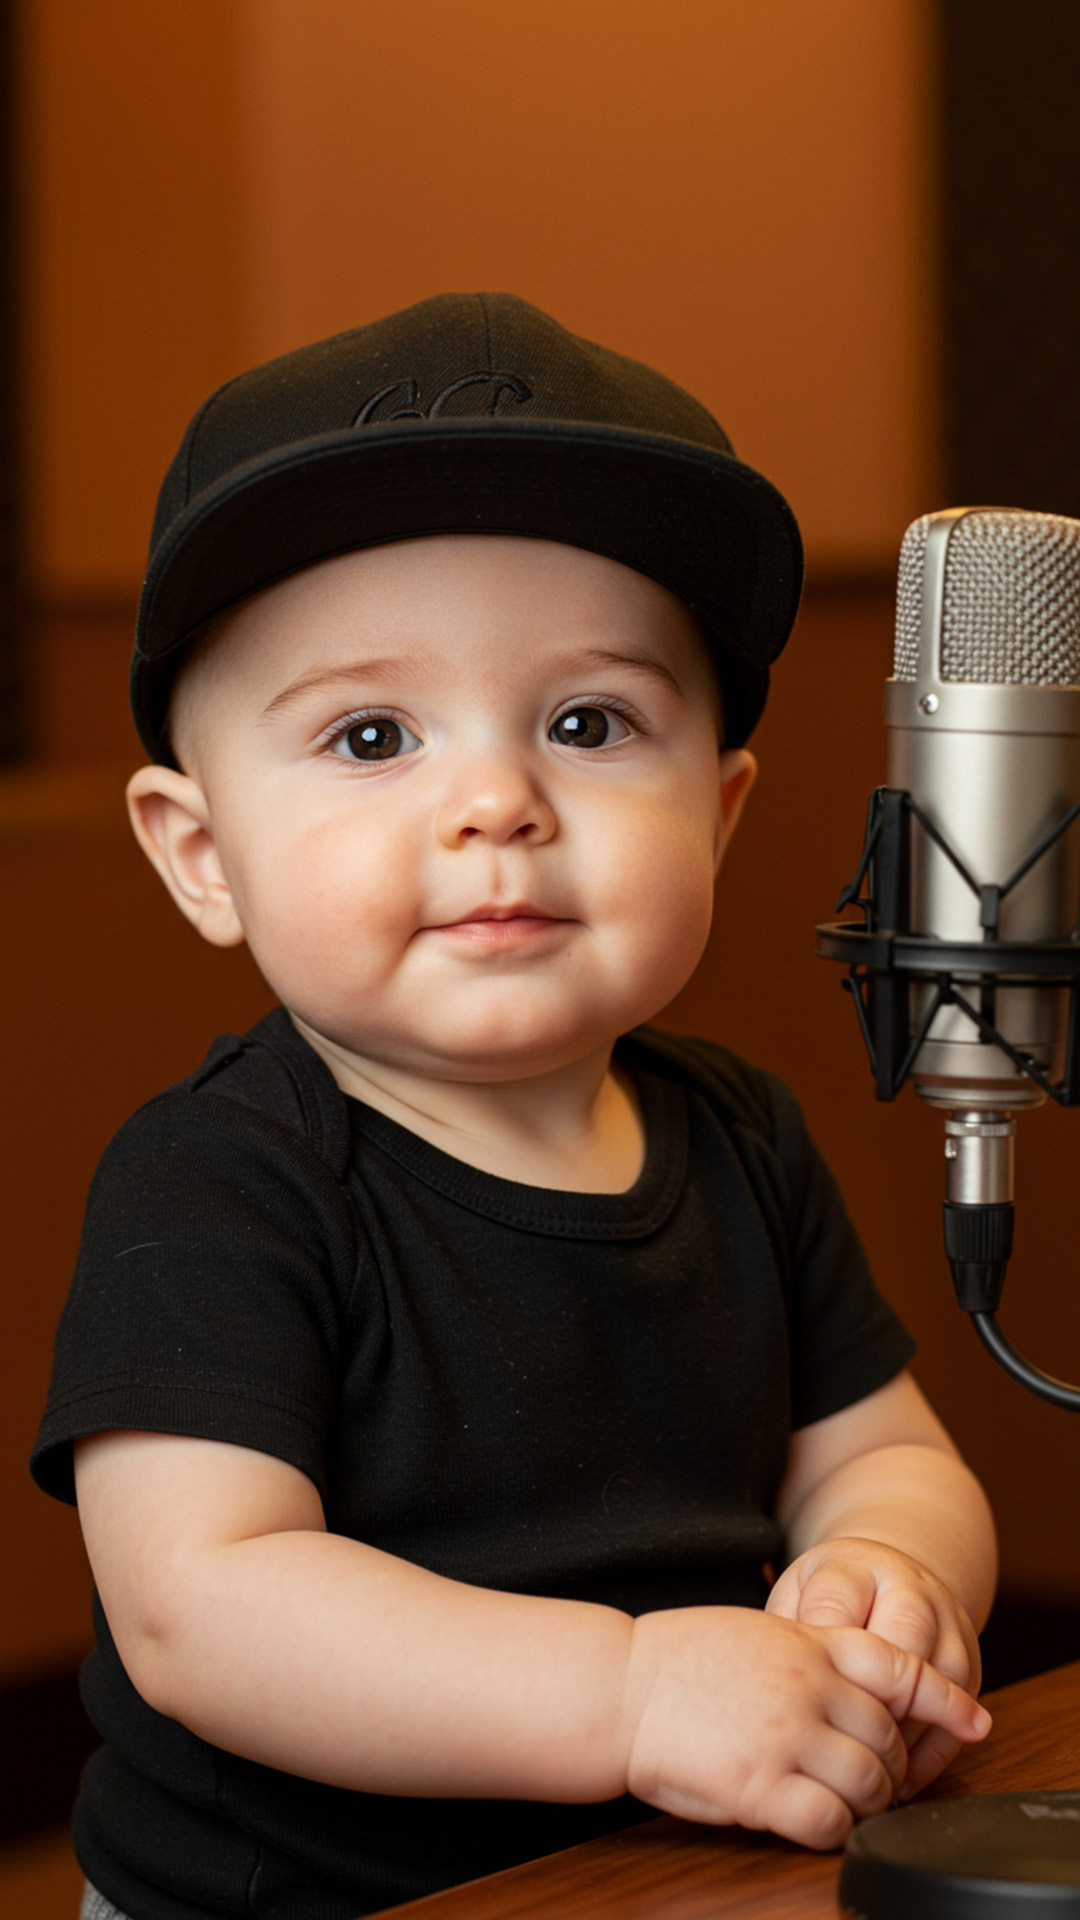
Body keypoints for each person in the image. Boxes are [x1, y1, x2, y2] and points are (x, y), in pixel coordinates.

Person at [32, 293, 996, 1920]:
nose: (497, 801)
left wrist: (889, 1567)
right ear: (202, 857)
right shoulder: (224, 1178)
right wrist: (629, 1696)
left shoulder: (743, 1137)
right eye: (372, 735)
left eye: (586, 723)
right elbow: (205, 1608)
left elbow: (884, 1452)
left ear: (720, 815)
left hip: (657, 1866)